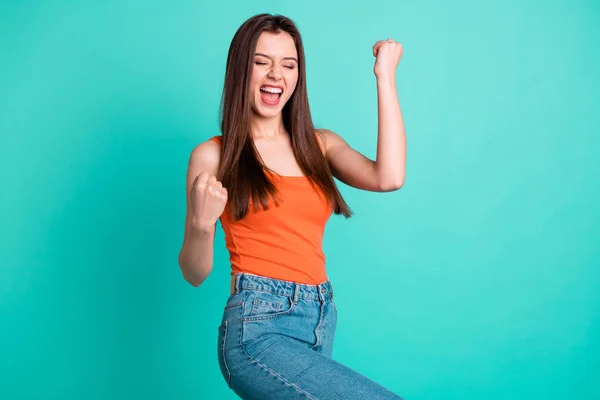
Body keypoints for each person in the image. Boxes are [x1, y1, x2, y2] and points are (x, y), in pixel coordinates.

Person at [178, 13, 406, 400]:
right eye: (261, 61)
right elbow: (194, 273)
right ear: (240, 70)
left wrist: (385, 77)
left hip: (320, 317)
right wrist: (202, 224)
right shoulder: (214, 156)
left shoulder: (319, 145)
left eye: (289, 64)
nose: (275, 75)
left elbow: (389, 177)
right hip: (257, 327)